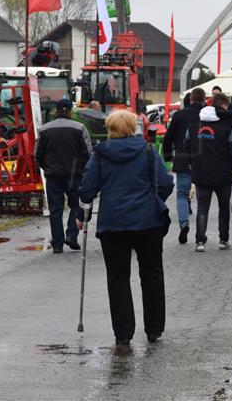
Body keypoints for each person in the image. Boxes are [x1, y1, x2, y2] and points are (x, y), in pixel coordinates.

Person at [77, 109, 174, 346]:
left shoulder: (100, 155)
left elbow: (87, 188)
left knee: (118, 277)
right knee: (152, 273)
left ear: (110, 129)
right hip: (148, 221)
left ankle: (123, 333)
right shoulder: (148, 152)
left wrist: (83, 214)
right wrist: (154, 200)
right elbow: (166, 182)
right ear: (133, 128)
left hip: (114, 222)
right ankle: (154, 328)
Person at [35, 98, 93, 253]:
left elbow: (37, 153)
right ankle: (72, 235)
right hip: (75, 175)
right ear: (69, 111)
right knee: (75, 205)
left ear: (56, 110)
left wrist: (45, 166)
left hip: (53, 175)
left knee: (55, 210)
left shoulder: (44, 129)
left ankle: (57, 244)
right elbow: (88, 153)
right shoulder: (80, 128)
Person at [187, 92, 232, 252]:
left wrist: (192, 162)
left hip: (201, 172)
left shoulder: (194, 123)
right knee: (223, 207)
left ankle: (200, 241)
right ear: (224, 105)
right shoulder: (229, 125)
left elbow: (186, 144)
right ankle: (223, 239)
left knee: (202, 207)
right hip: (223, 173)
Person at [162, 87, 206, 244]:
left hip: (182, 159)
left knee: (182, 194)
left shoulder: (179, 115)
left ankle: (184, 224)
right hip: (203, 160)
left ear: (191, 99)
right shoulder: (207, 115)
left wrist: (167, 155)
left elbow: (168, 138)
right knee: (203, 197)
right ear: (204, 99)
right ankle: (201, 232)